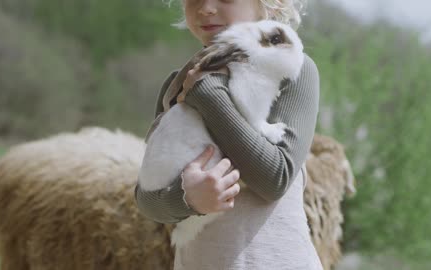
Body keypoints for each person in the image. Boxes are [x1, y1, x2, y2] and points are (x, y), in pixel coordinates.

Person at [135, 0, 323, 269]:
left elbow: (275, 179)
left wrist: (208, 95)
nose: (206, 8)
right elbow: (147, 199)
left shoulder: (291, 67)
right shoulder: (177, 84)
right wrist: (187, 198)